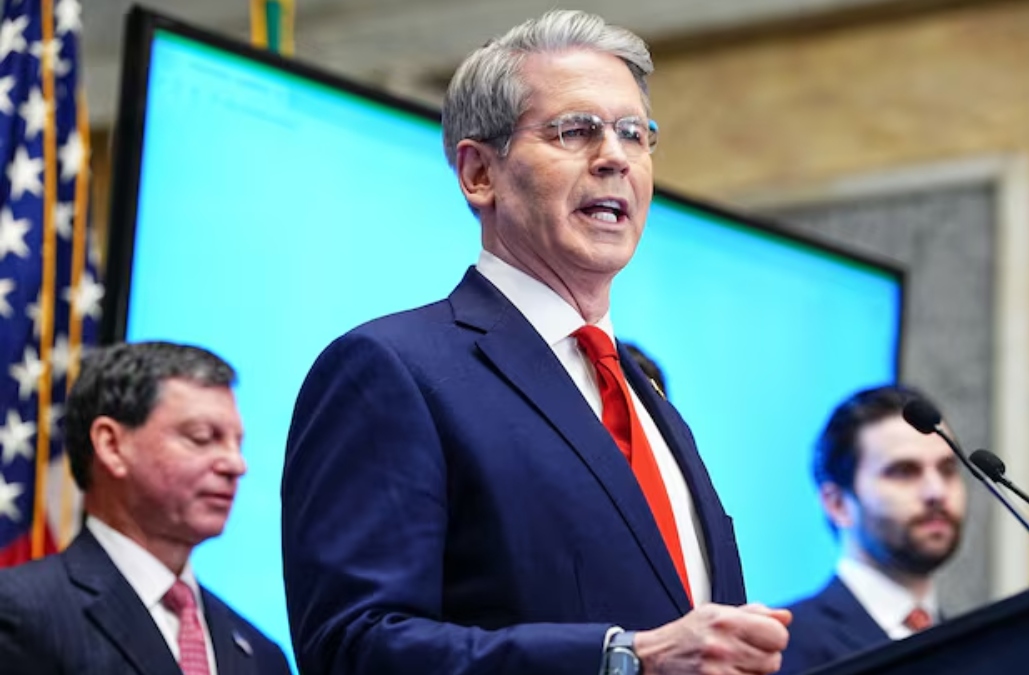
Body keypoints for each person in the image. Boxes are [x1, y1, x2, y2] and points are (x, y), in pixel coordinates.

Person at [281, 9, 790, 675]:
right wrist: (622, 659)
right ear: (479, 174)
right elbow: (352, 646)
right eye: (575, 131)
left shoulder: (650, 402)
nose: (615, 157)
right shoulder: (392, 370)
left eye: (634, 134)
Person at [0, 341, 291, 674]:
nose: (236, 465)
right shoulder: (19, 614)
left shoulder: (262, 656)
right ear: (112, 445)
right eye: (201, 437)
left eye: (237, 444)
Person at [781, 385, 966, 674]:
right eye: (904, 471)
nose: (936, 492)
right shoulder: (784, 647)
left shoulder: (975, 646)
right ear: (837, 504)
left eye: (947, 469)